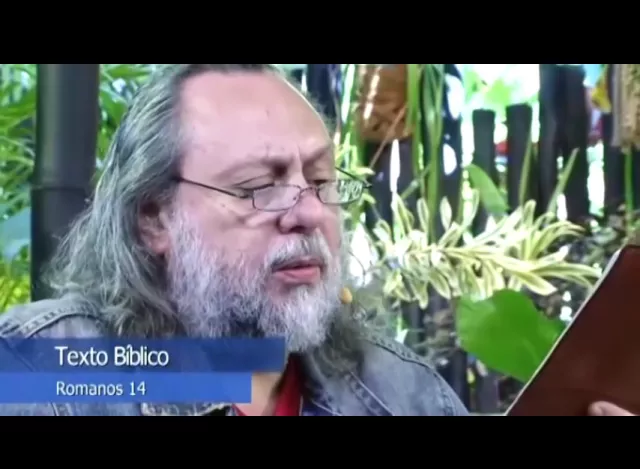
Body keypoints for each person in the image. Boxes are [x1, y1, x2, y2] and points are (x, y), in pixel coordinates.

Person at [0, 64, 632, 416]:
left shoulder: (399, 390)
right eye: (258, 185)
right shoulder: (41, 371)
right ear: (154, 219)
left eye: (323, 181)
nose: (306, 212)